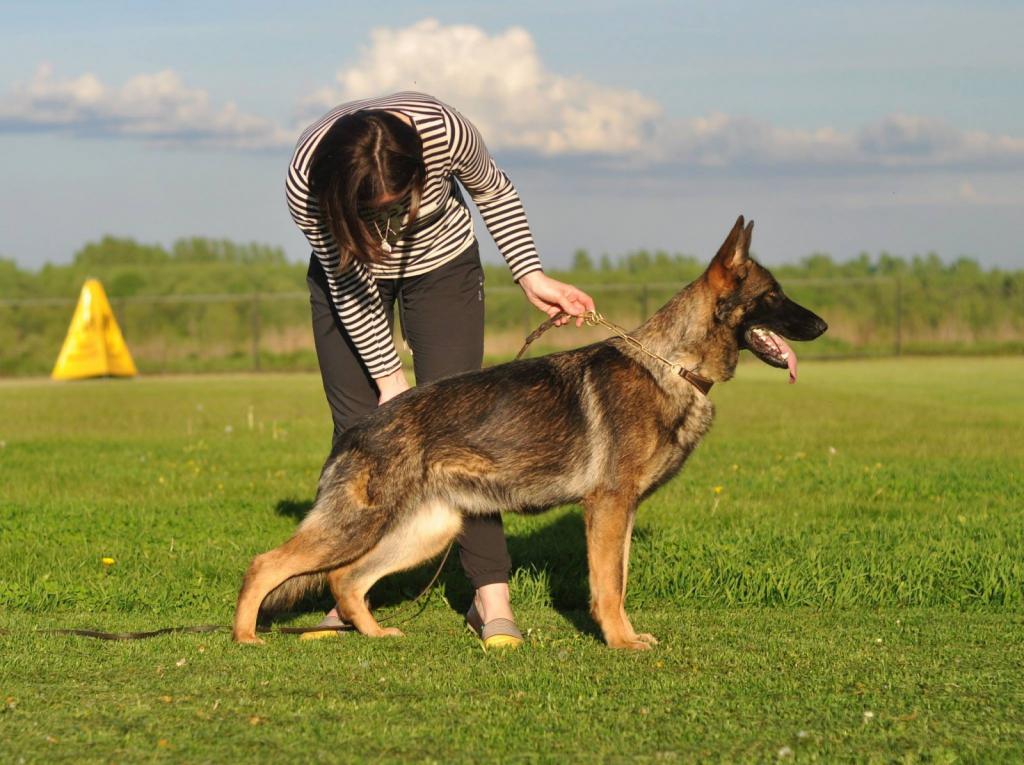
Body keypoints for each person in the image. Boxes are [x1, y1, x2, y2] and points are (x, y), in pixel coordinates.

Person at [287, 92, 595, 648]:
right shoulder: (306, 181)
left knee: (463, 435)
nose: (391, 222)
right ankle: (348, 594)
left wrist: (530, 276)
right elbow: (349, 286)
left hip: (443, 269)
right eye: (373, 212)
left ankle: (489, 596)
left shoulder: (444, 131)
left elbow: (492, 189)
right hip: (350, 279)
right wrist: (391, 383)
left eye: (398, 203)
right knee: (363, 430)